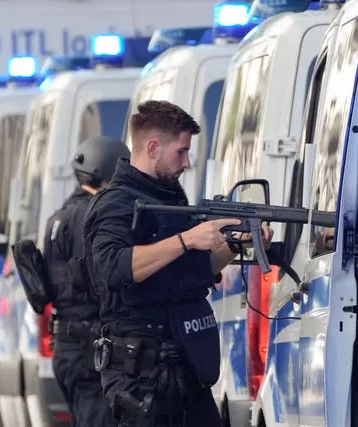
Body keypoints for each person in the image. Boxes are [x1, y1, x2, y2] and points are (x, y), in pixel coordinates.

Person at [83, 100, 274, 427]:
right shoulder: (117, 201)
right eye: (181, 152)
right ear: (153, 147)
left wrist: (232, 244)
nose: (187, 163)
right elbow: (112, 267)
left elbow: (194, 271)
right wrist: (187, 240)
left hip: (184, 363)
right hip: (141, 374)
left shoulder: (169, 197)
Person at [42, 135, 130, 427]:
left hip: (66, 347)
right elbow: (102, 277)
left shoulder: (57, 218)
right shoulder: (92, 215)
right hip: (88, 349)